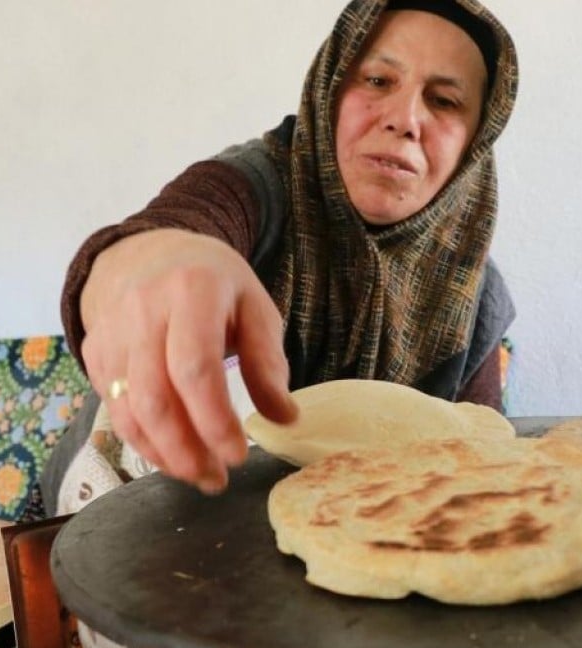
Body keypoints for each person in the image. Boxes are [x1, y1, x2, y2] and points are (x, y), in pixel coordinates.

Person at [28, 0, 519, 519]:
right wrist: (143, 265)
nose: (404, 119)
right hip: (120, 531)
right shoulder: (254, 187)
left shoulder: (472, 294)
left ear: (475, 141)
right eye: (377, 81)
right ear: (329, 91)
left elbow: (475, 474)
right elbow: (166, 233)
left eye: (444, 101)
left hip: (334, 555)